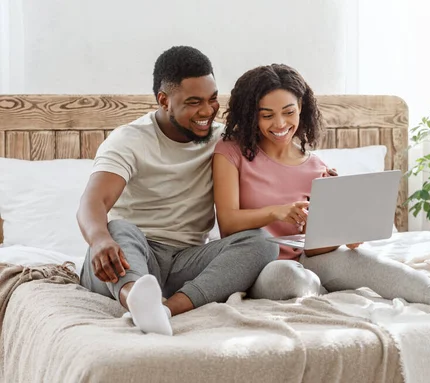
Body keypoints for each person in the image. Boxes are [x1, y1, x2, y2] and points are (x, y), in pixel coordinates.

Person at [212, 63, 430, 314]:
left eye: (289, 112)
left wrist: (344, 234)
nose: (280, 124)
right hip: (260, 267)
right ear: (252, 116)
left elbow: (319, 247)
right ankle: (321, 290)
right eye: (267, 115)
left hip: (310, 261)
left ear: (302, 109)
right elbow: (227, 223)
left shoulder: (317, 167)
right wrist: (277, 213)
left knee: (364, 260)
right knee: (292, 277)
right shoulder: (232, 152)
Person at [77, 46, 279, 336]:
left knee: (262, 241)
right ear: (164, 100)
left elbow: (279, 165)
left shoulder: (223, 139)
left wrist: (317, 175)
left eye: (212, 99)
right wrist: (98, 240)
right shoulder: (129, 139)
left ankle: (166, 308)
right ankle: (135, 298)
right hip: (133, 255)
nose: (207, 111)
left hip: (188, 260)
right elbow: (93, 200)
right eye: (194, 102)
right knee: (118, 228)